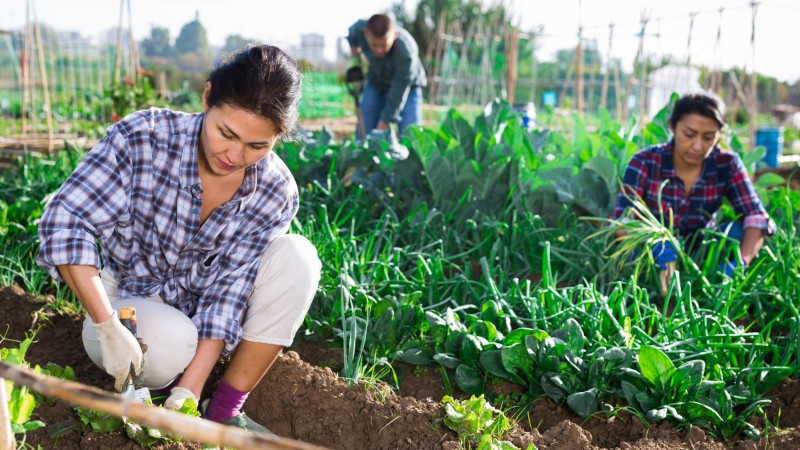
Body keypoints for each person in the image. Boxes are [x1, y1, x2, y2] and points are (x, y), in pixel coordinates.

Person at [36, 45, 321, 434]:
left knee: (298, 258)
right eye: (227, 133)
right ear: (207, 98)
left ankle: (222, 411)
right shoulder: (143, 138)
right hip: (130, 311)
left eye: (258, 146)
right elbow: (66, 221)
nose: (235, 156)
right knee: (171, 341)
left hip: (200, 315)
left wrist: (191, 390)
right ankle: (154, 382)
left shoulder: (273, 189)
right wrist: (107, 326)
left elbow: (229, 293)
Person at [611, 91, 775, 276]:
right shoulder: (645, 162)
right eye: (689, 134)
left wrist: (741, 262)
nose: (697, 146)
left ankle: (713, 280)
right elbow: (620, 221)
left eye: (708, 137)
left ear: (719, 135)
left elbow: (756, 217)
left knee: (735, 232)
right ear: (672, 126)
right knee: (629, 254)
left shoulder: (727, 164)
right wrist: (651, 240)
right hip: (650, 253)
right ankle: (645, 283)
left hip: (703, 249)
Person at [347, 13, 427, 136]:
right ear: (366, 34)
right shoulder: (359, 29)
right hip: (377, 82)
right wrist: (355, 55)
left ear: (394, 35)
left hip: (407, 87)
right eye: (374, 45)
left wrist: (384, 121)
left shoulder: (406, 53)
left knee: (412, 135)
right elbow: (352, 34)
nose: (379, 50)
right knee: (364, 132)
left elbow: (398, 92)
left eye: (384, 45)